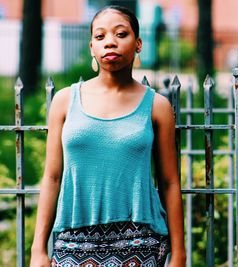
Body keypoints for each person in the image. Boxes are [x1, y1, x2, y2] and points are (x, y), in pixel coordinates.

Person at [30, 5, 186, 267]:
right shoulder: (65, 100)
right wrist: (38, 249)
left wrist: (179, 254)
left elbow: (169, 182)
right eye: (100, 37)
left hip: (140, 240)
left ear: (138, 44)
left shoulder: (157, 106)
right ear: (92, 47)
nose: (110, 42)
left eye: (120, 34)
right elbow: (52, 177)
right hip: (73, 241)